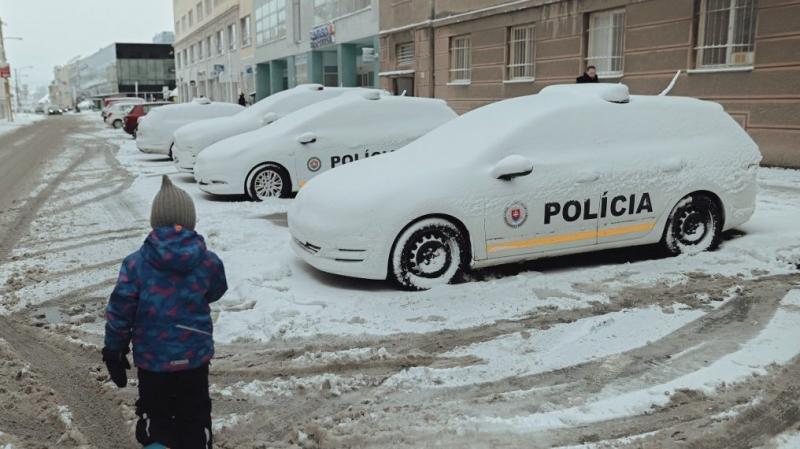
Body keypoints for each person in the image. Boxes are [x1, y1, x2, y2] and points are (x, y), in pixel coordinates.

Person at [102, 175, 227, 449]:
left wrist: (114, 348)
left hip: (153, 363)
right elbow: (217, 290)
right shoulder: (208, 261)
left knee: (155, 419)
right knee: (194, 416)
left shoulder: (136, 264)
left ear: (155, 221)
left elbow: (121, 310)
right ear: (190, 219)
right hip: (194, 360)